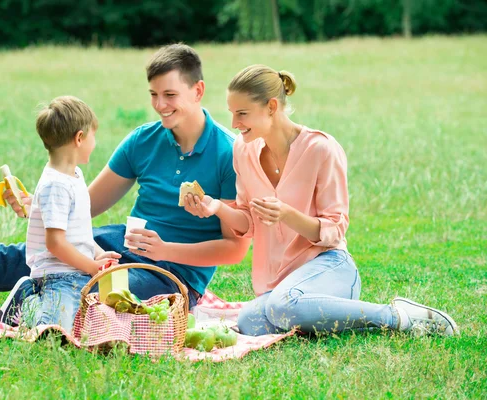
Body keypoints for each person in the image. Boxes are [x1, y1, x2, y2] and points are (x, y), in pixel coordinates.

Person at [0, 44, 250, 316]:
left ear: (198, 91)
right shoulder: (144, 140)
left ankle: (25, 312)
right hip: (115, 244)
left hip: (172, 274)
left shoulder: (227, 154)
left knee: (86, 290)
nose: (160, 105)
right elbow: (85, 206)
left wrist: (165, 251)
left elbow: (235, 249)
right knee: (5, 259)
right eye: (154, 94)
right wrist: (40, 206)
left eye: (170, 95)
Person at [183, 64, 459, 337]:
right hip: (279, 284)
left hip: (329, 267)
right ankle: (317, 316)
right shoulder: (243, 150)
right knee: (251, 322)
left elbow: (334, 230)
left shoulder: (321, 149)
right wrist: (216, 207)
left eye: (242, 113)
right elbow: (248, 220)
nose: (234, 124)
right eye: (232, 113)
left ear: (271, 107)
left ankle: (399, 316)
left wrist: (287, 214)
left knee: (282, 306)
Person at [4, 95, 122, 332]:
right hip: (58, 278)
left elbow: (78, 233)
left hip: (77, 274)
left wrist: (97, 254)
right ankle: (25, 300)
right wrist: (91, 267)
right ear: (79, 138)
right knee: (54, 331)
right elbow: (55, 244)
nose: (95, 142)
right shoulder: (56, 185)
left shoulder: (74, 175)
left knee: (95, 324)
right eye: (93, 136)